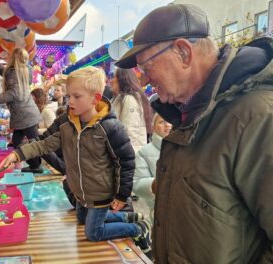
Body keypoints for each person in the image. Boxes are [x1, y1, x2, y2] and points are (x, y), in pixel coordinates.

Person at [116, 4, 273, 263]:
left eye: (146, 66)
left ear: (183, 52)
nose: (143, 79)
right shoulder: (188, 114)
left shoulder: (257, 119)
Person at [0, 66, 152, 257]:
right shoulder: (68, 125)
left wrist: (121, 195)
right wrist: (18, 154)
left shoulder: (110, 127)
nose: (70, 100)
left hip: (100, 193)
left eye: (76, 96)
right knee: (82, 219)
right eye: (69, 95)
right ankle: (126, 217)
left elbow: (126, 160)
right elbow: (44, 144)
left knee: (93, 232)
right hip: (81, 192)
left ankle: (137, 228)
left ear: (95, 99)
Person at [0, 48, 43, 173]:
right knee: (18, 142)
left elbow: (15, 93)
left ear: (13, 57)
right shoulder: (23, 71)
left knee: (34, 143)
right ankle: (34, 164)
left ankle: (38, 165)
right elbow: (2, 71)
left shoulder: (14, 72)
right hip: (26, 114)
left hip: (24, 115)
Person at [133, 113, 172, 221]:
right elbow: (137, 183)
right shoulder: (144, 152)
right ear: (153, 127)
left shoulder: (186, 149)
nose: (167, 125)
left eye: (169, 121)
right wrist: (155, 184)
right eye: (161, 122)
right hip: (159, 211)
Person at [110, 68, 153, 152]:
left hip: (129, 156)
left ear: (122, 79)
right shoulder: (118, 99)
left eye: (114, 77)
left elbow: (129, 133)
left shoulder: (129, 99)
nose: (111, 80)